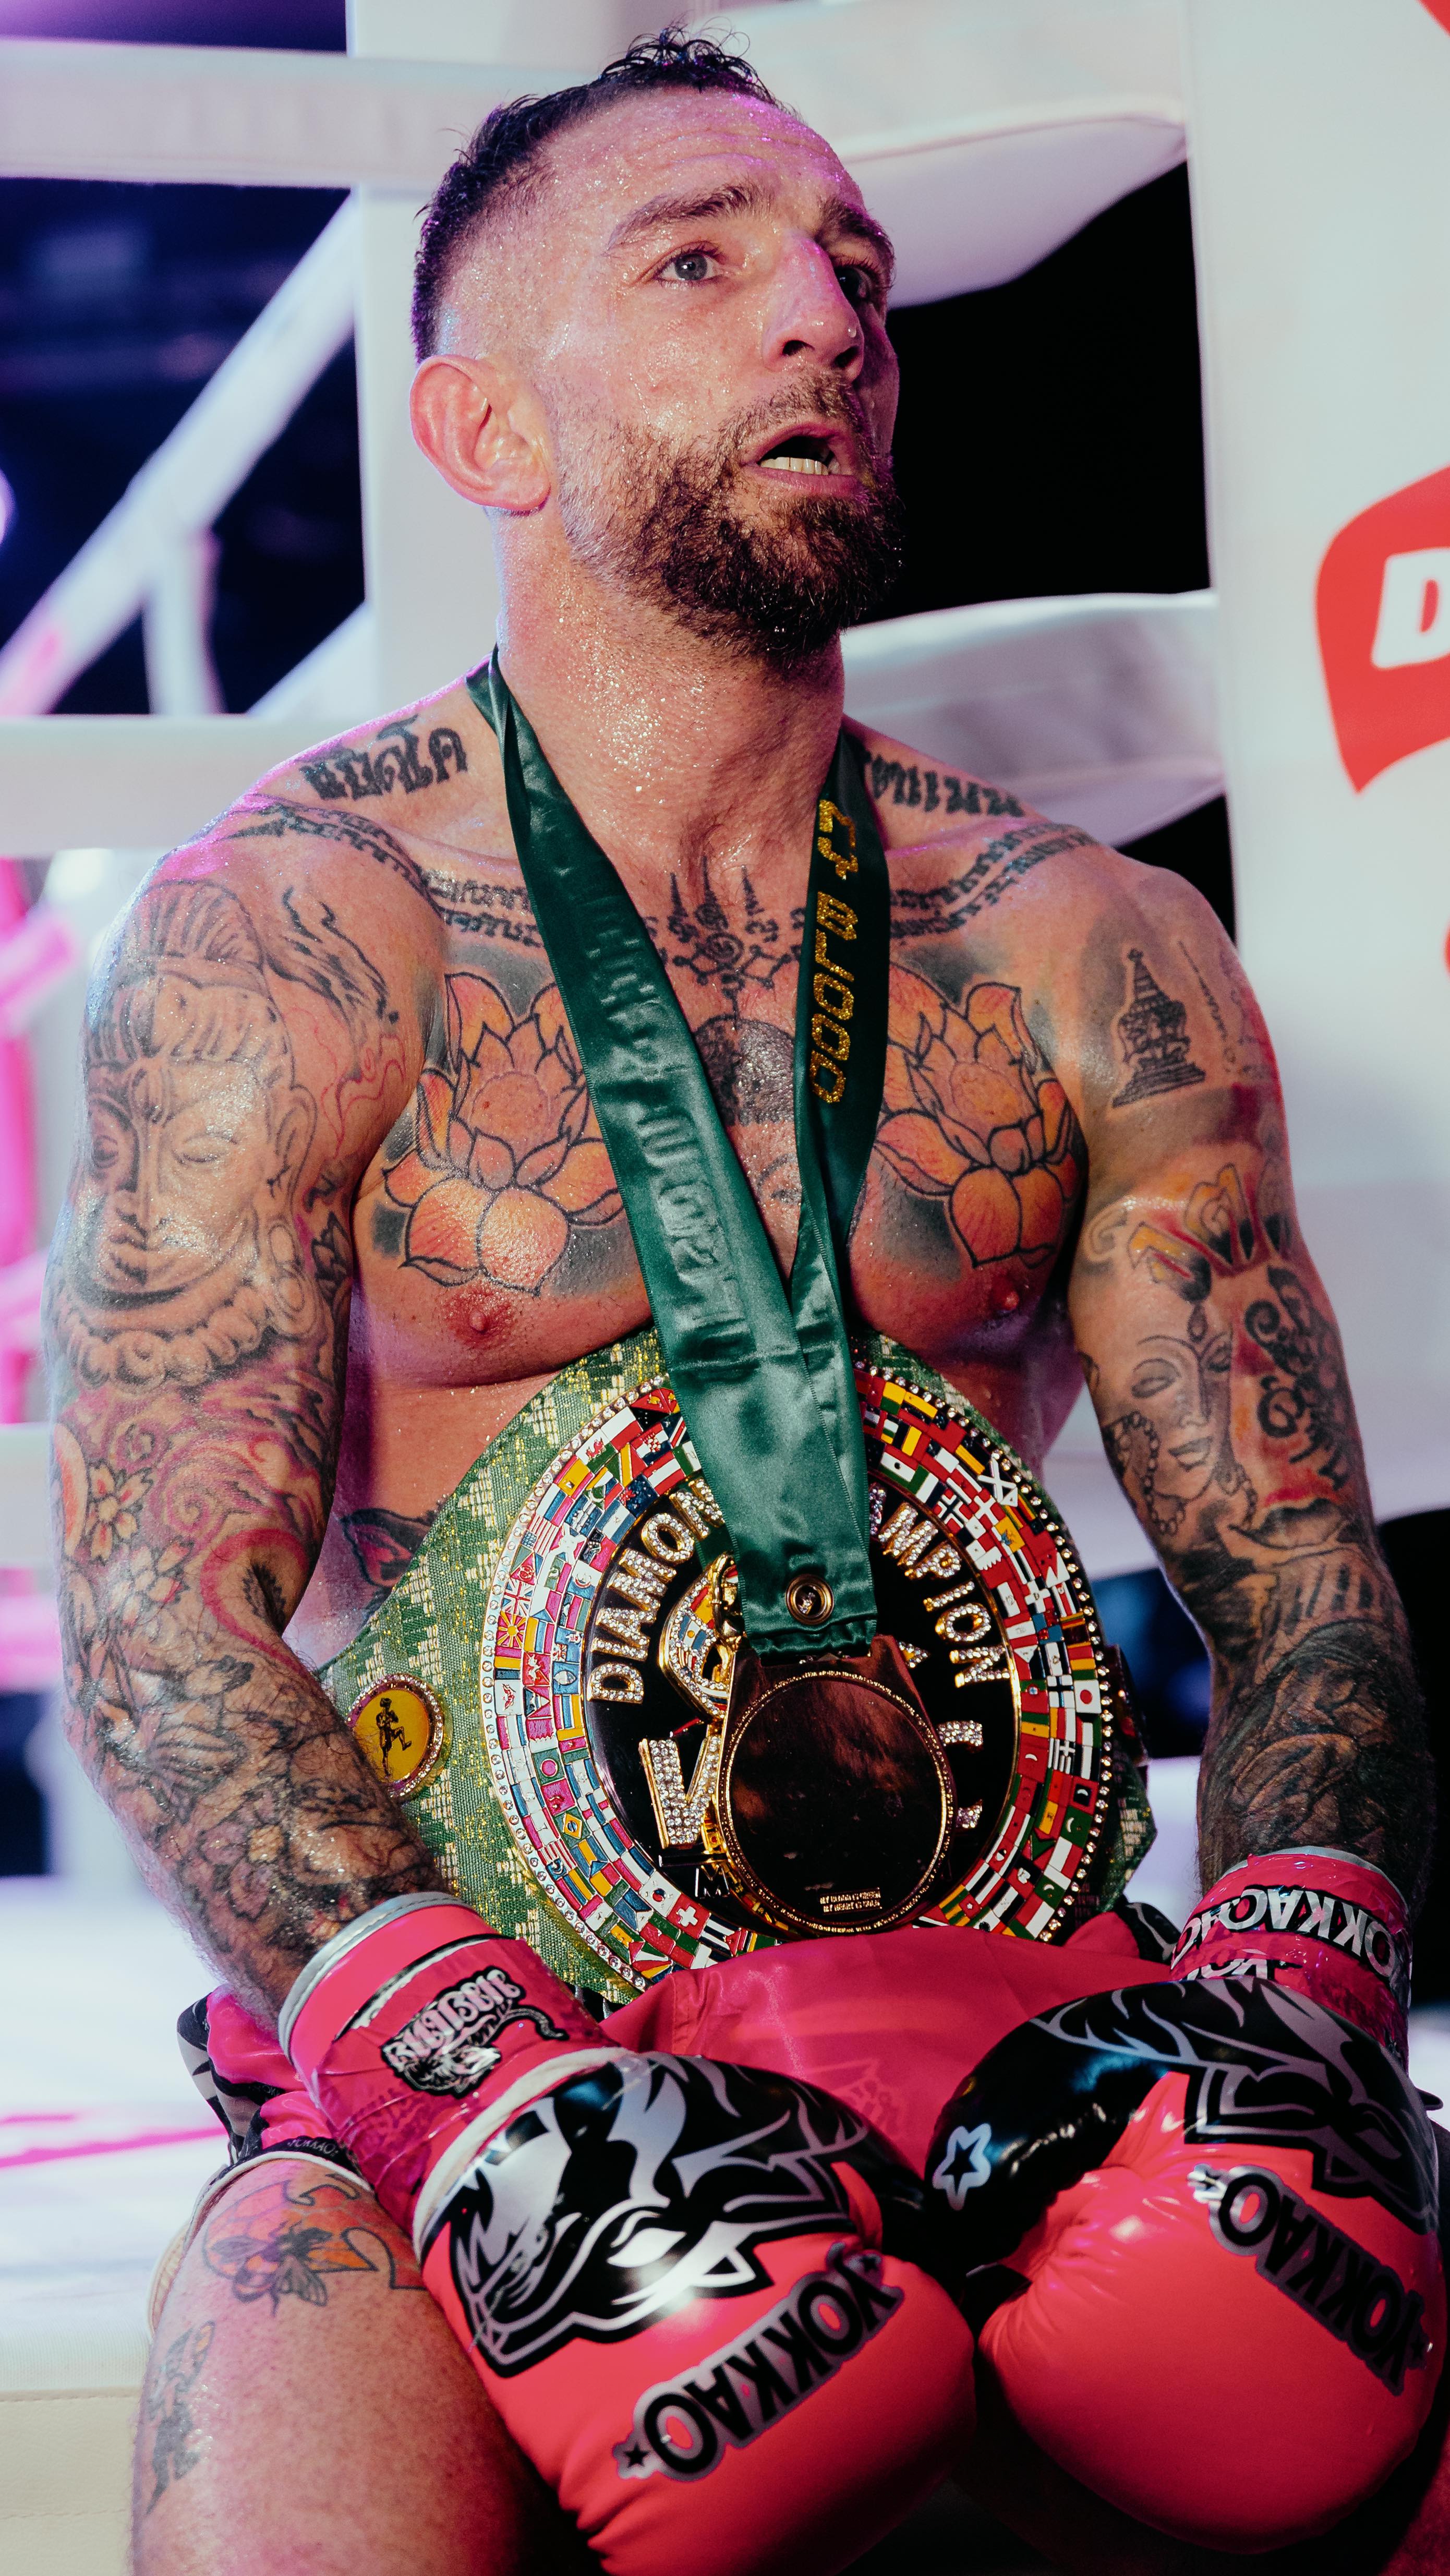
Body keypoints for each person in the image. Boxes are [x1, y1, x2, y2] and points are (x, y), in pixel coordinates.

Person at [45, 32, 1439, 2576]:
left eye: (853, 269)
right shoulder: (299, 935)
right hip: (484, 2021)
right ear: (484, 428)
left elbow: (1295, 1579)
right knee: (294, 2458)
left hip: (1037, 2030)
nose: (825, 315)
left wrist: (1296, 1998)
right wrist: (485, 2102)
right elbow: (158, 1613)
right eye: (699, 262)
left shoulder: (1086, 948)